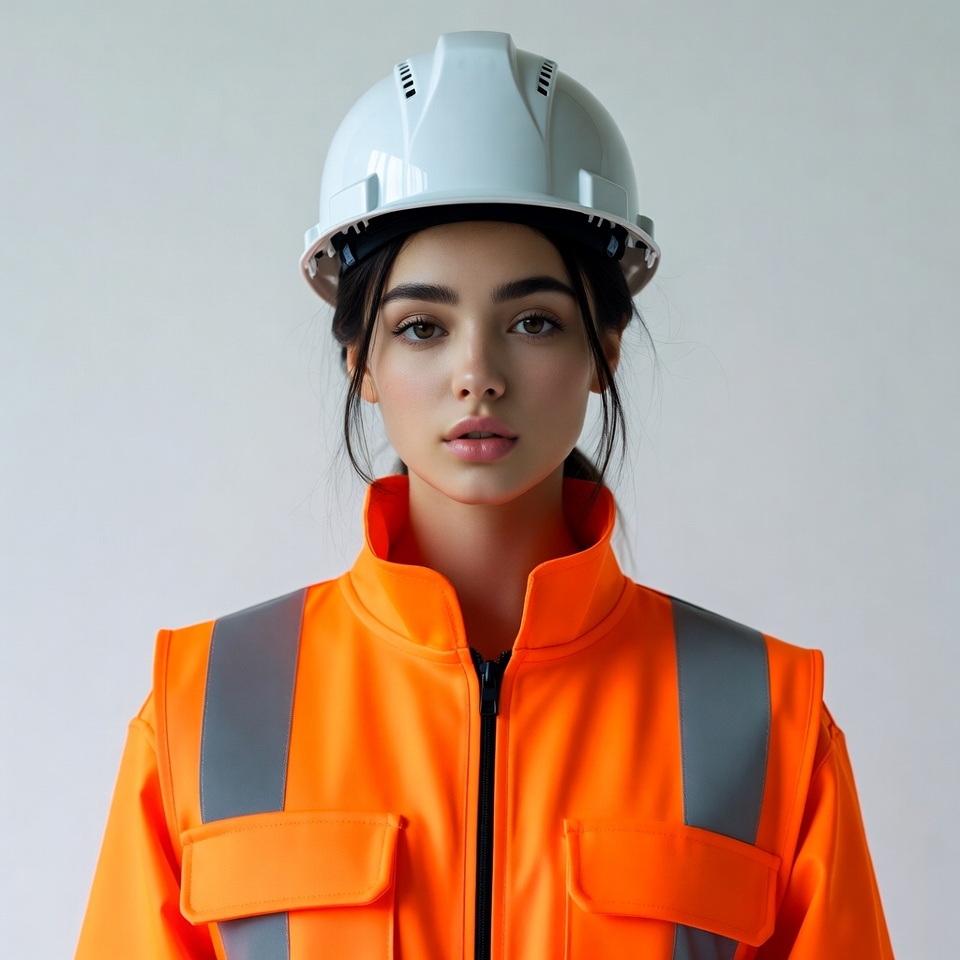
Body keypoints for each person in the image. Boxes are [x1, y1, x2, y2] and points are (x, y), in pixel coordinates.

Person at [76, 31, 894, 960]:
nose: (477, 373)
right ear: (362, 362)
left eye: (534, 321)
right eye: (423, 326)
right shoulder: (204, 710)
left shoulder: (768, 717)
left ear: (603, 350)